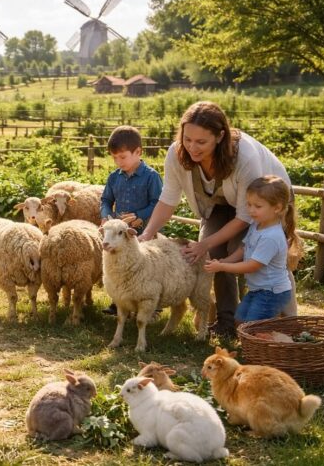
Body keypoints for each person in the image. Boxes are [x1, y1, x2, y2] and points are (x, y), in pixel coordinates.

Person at [139, 101, 295, 337]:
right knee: (214, 255)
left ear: (220, 136)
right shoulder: (176, 154)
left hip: (263, 202)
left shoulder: (244, 156)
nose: (192, 147)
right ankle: (227, 322)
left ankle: (273, 325)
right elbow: (168, 199)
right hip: (219, 204)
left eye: (201, 142)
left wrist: (204, 244)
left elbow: (244, 215)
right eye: (187, 139)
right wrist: (147, 234)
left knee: (249, 253)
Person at [204, 176, 302, 324]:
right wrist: (226, 260)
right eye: (249, 204)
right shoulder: (256, 226)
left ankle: (275, 343)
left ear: (277, 208)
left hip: (272, 292)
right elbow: (243, 248)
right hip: (259, 289)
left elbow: (252, 266)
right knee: (240, 320)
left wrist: (223, 266)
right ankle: (261, 342)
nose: (251, 210)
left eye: (258, 206)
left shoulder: (271, 237)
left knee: (253, 326)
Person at [99, 125, 163, 315]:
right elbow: (106, 199)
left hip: (145, 233)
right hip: (118, 235)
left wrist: (139, 215)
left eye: (123, 157)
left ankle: (151, 305)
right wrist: (105, 216)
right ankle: (119, 302)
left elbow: (158, 203)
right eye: (115, 158)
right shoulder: (114, 178)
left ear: (138, 152)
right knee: (118, 267)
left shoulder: (151, 177)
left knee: (146, 270)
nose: (119, 162)